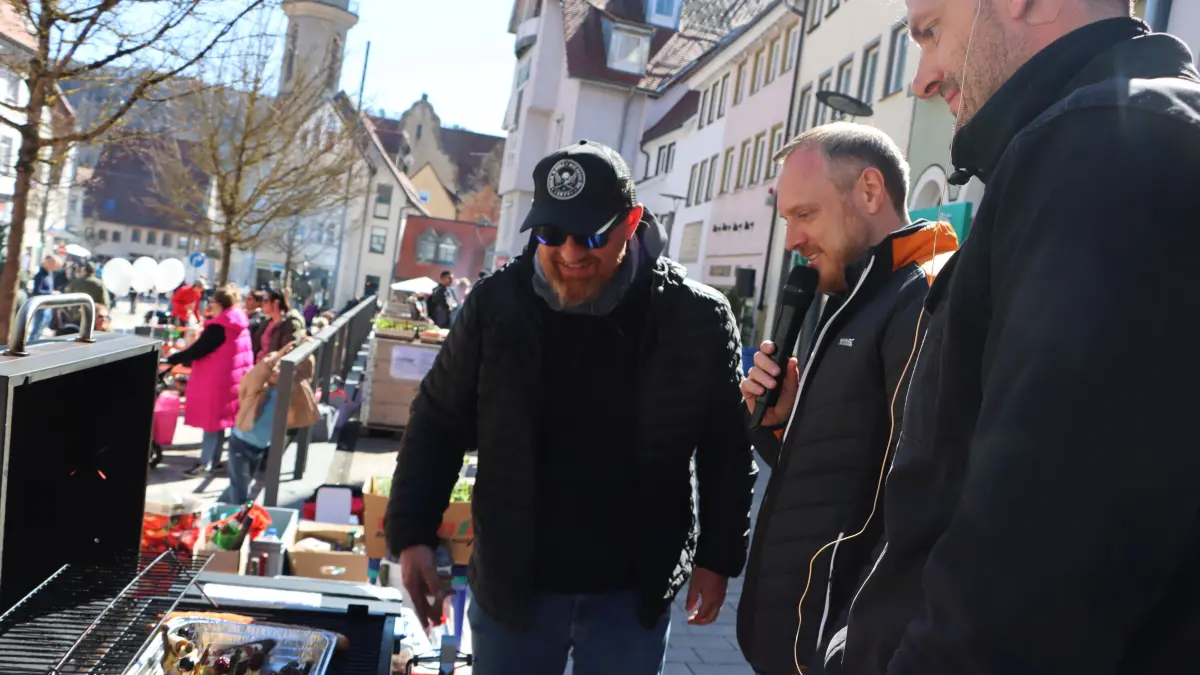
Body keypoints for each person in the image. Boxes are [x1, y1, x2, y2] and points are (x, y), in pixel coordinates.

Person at [836, 4, 1200, 675]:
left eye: (931, 31)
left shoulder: (1104, 155)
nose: (920, 79)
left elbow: (1026, 586)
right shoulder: (1098, 146)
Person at [386, 140, 756, 675]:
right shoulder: (495, 307)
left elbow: (725, 448)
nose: (571, 252)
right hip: (516, 585)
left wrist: (718, 559)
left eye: (591, 234)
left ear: (631, 223)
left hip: (632, 592)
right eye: (551, 234)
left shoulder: (693, 316)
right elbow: (438, 421)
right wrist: (413, 532)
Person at [736, 123, 955, 675]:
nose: (791, 240)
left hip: (842, 650)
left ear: (870, 191)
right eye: (787, 220)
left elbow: (917, 505)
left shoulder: (923, 300)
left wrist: (853, 653)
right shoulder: (854, 291)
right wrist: (786, 422)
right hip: (799, 641)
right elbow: (847, 469)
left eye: (804, 215)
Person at [166, 286, 255, 476]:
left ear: (219, 304)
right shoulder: (239, 322)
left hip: (216, 382)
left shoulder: (219, 326)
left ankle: (204, 464)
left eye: (212, 304)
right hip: (232, 382)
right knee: (220, 423)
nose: (210, 307)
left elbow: (199, 349)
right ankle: (214, 461)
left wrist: (174, 358)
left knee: (211, 424)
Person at [221, 345, 318, 504]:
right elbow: (259, 372)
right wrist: (279, 353)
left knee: (240, 483)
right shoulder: (257, 388)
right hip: (240, 442)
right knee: (240, 488)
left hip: (260, 446)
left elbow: (306, 373)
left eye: (280, 369)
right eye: (273, 369)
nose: (275, 372)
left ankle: (223, 507)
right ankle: (237, 519)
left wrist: (304, 350)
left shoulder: (290, 390)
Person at [260, 289, 307, 359]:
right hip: (260, 363)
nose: (262, 304)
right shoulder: (267, 322)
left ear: (276, 303)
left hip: (271, 365)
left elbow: (288, 350)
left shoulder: (290, 324)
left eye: (266, 301)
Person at [29, 255, 62, 338]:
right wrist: (51, 293)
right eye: (53, 263)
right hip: (41, 307)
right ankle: (31, 345)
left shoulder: (49, 274)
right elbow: (37, 291)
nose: (55, 266)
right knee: (37, 329)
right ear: (47, 263)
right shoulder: (40, 275)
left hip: (47, 306)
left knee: (41, 329)